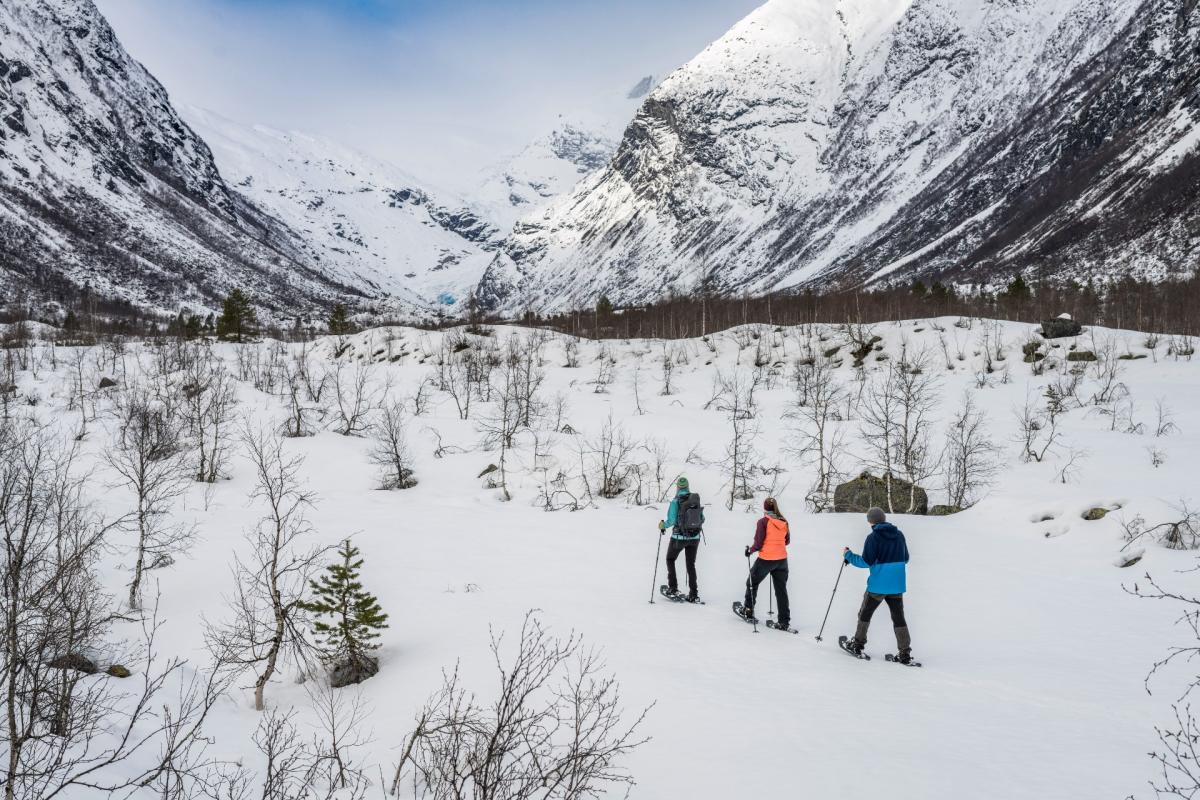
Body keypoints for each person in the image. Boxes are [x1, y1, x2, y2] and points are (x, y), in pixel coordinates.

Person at [842, 507, 913, 662]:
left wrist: (848, 555)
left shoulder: (873, 537)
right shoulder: (899, 535)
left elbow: (865, 562)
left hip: (878, 586)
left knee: (865, 614)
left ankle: (857, 645)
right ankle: (905, 653)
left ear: (870, 521)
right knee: (898, 617)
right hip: (896, 585)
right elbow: (906, 559)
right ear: (884, 518)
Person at [739, 498, 790, 628]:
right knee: (781, 590)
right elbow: (787, 541)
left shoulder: (763, 522)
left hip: (766, 559)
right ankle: (784, 621)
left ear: (765, 508)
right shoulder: (783, 521)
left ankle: (748, 610)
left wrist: (750, 551)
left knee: (751, 582)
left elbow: (758, 542)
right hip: (782, 561)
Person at [659, 477, 705, 601]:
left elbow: (672, 520)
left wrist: (663, 525)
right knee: (691, 564)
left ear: (678, 487)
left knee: (670, 559)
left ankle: (673, 589)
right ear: (688, 486)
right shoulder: (695, 499)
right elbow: (703, 518)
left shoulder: (675, 501)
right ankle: (694, 594)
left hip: (678, 537)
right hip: (694, 538)